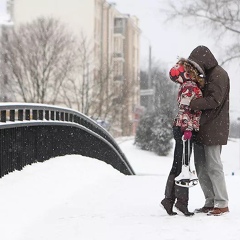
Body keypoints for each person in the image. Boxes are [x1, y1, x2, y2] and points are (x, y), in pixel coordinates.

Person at [187, 45, 230, 216]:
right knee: (201, 166)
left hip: (214, 127)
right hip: (204, 126)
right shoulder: (208, 75)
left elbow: (214, 100)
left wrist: (192, 103)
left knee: (213, 165)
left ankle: (222, 202)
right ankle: (210, 201)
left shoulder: (219, 74)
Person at [161, 59, 204, 216]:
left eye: (177, 77)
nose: (177, 81)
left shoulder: (187, 86)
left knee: (179, 165)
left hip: (183, 129)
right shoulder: (190, 87)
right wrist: (188, 129)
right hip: (185, 130)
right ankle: (179, 202)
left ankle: (170, 200)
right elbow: (185, 110)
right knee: (183, 166)